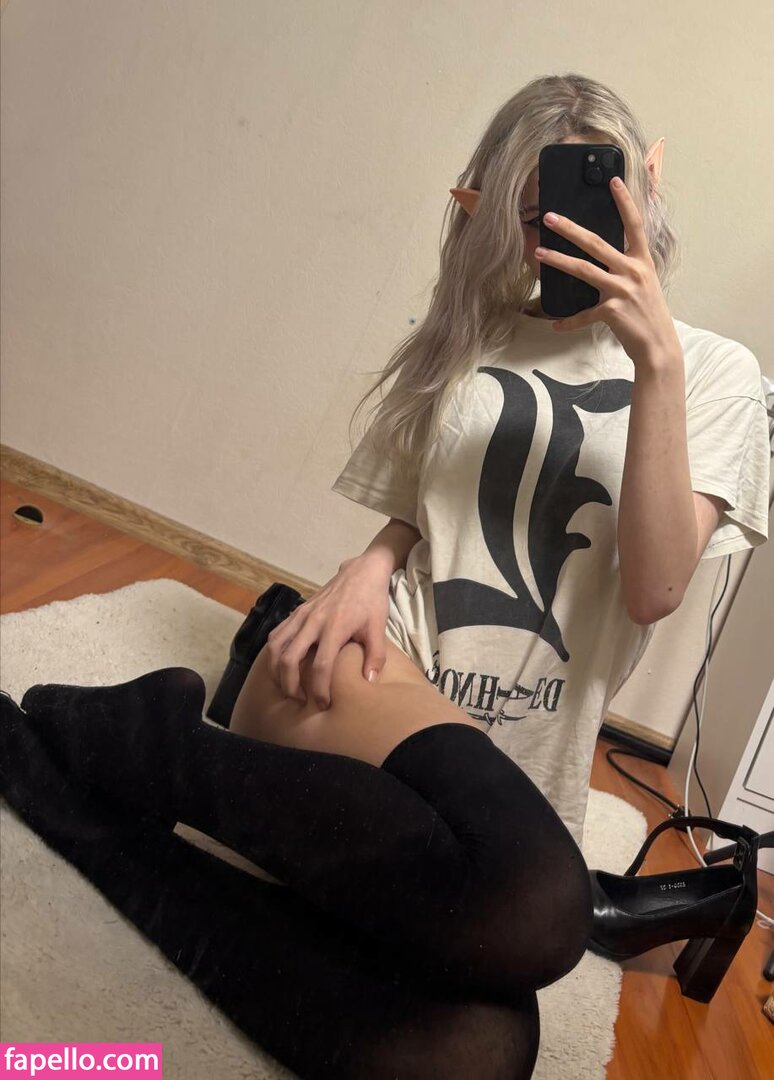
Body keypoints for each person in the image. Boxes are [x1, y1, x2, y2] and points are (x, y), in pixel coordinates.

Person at [2, 71, 769, 1080]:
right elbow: (427, 511)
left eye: (596, 200)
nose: (566, 239)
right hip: (364, 675)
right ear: (486, 213)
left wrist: (655, 360)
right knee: (544, 907)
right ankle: (151, 744)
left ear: (647, 184)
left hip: (504, 771)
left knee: (475, 1049)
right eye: (535, 218)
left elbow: (655, 588)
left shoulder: (712, 372)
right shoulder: (471, 339)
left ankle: (77, 791)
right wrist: (368, 562)